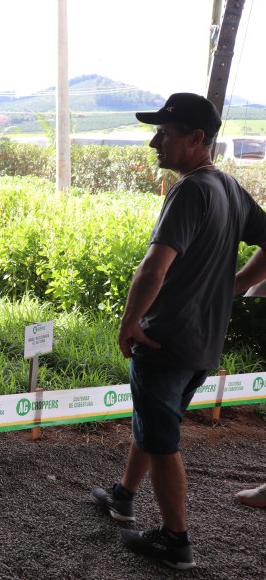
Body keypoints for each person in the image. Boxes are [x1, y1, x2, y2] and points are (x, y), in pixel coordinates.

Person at [90, 93, 266, 570]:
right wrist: (234, 286)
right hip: (202, 344)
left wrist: (130, 322)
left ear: (196, 139)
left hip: (164, 339)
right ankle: (123, 496)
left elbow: (153, 267)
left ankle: (176, 541)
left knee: (163, 440)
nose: (154, 142)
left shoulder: (189, 191)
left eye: (164, 134)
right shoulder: (228, 188)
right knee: (155, 421)